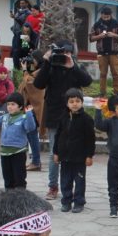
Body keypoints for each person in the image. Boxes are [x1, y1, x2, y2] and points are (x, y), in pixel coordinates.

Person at [33, 40, 93, 200]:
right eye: (60, 53)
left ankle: (72, 187)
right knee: (55, 151)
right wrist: (46, 62)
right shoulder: (50, 65)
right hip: (54, 115)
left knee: (75, 151)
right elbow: (38, 84)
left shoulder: (74, 65)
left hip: (74, 116)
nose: (62, 56)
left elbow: (87, 81)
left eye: (66, 53)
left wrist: (72, 66)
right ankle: (53, 186)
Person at [54, 88, 96, 213]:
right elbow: (58, 136)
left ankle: (79, 202)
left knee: (79, 180)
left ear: (82, 102)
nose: (75, 104)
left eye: (77, 101)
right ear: (67, 104)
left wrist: (89, 155)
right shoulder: (63, 117)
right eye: (71, 101)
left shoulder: (87, 119)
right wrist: (56, 152)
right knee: (65, 180)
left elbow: (90, 139)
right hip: (65, 156)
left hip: (80, 157)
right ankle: (66, 201)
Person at [0, 92, 36, 189]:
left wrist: (29, 114)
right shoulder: (5, 117)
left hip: (18, 153)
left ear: (20, 106)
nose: (9, 107)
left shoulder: (24, 117)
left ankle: (20, 198)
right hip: (5, 153)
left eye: (13, 104)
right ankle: (9, 199)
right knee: (7, 179)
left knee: (19, 178)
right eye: (8, 104)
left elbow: (30, 127)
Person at [89, 7, 118, 97]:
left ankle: (116, 92)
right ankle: (102, 93)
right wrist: (100, 36)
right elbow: (91, 38)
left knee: (115, 73)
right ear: (101, 15)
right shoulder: (96, 25)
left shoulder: (116, 23)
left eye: (107, 17)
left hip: (114, 52)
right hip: (101, 53)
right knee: (103, 74)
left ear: (111, 15)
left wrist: (114, 35)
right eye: (104, 17)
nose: (106, 18)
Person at [19, 52, 46, 171]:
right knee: (31, 135)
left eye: (33, 59)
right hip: (31, 107)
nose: (32, 62)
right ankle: (35, 160)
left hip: (35, 108)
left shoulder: (41, 71)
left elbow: (30, 83)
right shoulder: (37, 71)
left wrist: (25, 70)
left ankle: (36, 161)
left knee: (33, 135)